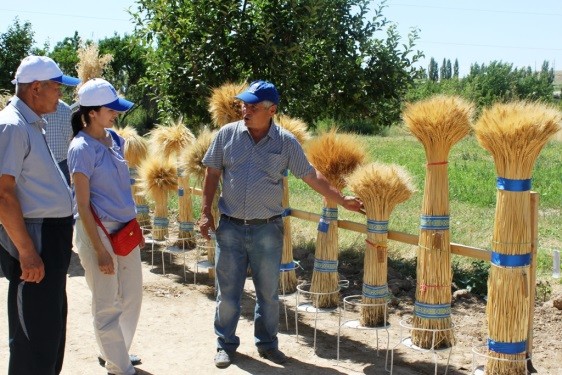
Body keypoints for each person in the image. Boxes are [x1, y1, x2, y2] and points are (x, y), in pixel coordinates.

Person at [198, 80, 365, 369]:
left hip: (268, 229)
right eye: (243, 104)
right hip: (231, 227)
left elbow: (311, 175)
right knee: (228, 294)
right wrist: (204, 212)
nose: (244, 110)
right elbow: (212, 174)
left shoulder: (286, 142)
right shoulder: (226, 135)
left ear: (271, 110)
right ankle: (225, 345)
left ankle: (267, 344)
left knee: (269, 294)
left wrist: (341, 200)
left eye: (252, 106)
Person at [0, 55, 80, 375]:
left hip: (48, 236)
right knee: (32, 340)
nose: (60, 95)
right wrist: (27, 251)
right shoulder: (12, 125)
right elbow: (3, 195)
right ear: (36, 88)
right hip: (35, 238)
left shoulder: (31, 122)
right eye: (57, 88)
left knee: (48, 334)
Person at [67, 78, 143, 375]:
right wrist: (99, 249)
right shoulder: (80, 147)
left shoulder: (115, 139)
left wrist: (136, 227)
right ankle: (119, 366)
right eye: (110, 109)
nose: (116, 114)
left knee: (132, 295)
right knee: (106, 301)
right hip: (95, 229)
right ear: (92, 112)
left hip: (125, 228)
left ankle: (115, 350)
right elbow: (82, 204)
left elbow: (122, 188)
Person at [44, 99, 73, 185]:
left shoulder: (34, 106)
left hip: (42, 163)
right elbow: (71, 137)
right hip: (63, 162)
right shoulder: (66, 108)